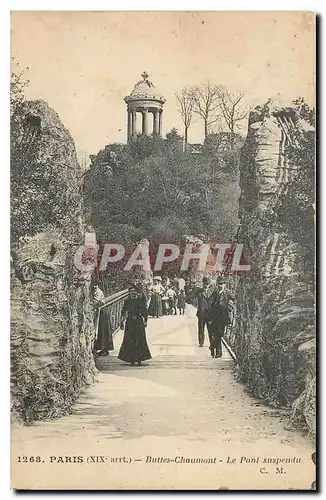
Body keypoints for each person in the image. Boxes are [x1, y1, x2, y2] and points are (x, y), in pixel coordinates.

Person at [118, 284, 151, 366]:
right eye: (131, 291)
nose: (133, 293)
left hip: (138, 322)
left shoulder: (140, 301)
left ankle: (139, 359)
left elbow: (145, 311)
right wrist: (121, 321)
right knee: (130, 339)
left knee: (139, 339)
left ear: (137, 292)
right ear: (129, 293)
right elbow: (123, 311)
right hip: (130, 322)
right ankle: (131, 359)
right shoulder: (127, 301)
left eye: (134, 291)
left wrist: (145, 321)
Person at [207, 281, 231, 358]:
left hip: (223, 317)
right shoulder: (215, 293)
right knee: (217, 334)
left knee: (220, 334)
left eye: (222, 284)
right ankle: (218, 352)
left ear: (224, 284)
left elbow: (234, 299)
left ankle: (212, 346)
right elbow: (211, 304)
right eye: (219, 284)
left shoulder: (227, 292)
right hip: (216, 317)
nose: (220, 285)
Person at [92, 283, 114, 356]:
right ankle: (103, 348)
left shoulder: (97, 291)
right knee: (103, 330)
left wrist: (90, 304)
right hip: (101, 311)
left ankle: (104, 349)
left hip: (102, 311)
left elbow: (96, 302)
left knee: (103, 330)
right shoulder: (96, 290)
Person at [196, 277, 213, 347]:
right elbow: (190, 297)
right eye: (205, 284)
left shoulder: (212, 292)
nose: (206, 285)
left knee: (210, 329)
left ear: (209, 284)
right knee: (201, 329)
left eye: (207, 284)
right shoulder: (199, 291)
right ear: (202, 283)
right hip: (201, 313)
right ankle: (201, 342)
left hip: (209, 313)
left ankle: (211, 343)